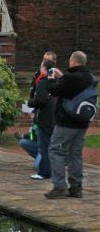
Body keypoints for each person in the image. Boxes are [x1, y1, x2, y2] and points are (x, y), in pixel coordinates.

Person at [45, 51, 95, 199]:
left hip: (66, 121)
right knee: (75, 154)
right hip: (82, 122)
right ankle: (76, 187)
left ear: (73, 61)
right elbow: (72, 88)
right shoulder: (90, 78)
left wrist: (51, 78)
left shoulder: (71, 77)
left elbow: (54, 90)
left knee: (56, 151)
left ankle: (60, 187)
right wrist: (62, 77)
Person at [28, 60, 56, 180]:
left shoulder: (42, 83)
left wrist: (30, 103)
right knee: (51, 145)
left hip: (44, 118)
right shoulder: (57, 82)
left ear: (45, 69)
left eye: (41, 67)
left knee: (44, 146)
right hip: (55, 118)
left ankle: (44, 172)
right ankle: (52, 170)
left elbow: (40, 100)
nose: (40, 69)